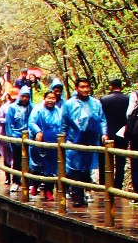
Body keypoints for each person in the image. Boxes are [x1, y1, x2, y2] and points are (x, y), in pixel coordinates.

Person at [62, 75, 105, 206]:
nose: (85, 89)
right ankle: (77, 196)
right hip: (74, 141)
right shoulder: (69, 104)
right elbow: (64, 123)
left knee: (86, 169)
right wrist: (62, 139)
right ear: (76, 88)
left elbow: (102, 120)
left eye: (87, 87)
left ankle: (84, 194)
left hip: (91, 141)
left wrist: (104, 134)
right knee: (75, 170)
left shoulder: (96, 103)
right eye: (82, 87)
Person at [27, 80, 65, 199]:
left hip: (53, 142)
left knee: (52, 168)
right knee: (38, 165)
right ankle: (35, 184)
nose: (50, 100)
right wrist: (38, 131)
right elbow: (32, 122)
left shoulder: (59, 111)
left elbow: (63, 124)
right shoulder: (37, 109)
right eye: (48, 98)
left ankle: (48, 190)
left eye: (53, 98)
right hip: (39, 142)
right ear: (44, 98)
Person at [100, 75, 128, 189]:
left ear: (111, 87)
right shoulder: (128, 99)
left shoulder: (104, 100)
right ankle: (118, 185)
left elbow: (101, 117)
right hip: (123, 134)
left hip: (108, 134)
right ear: (121, 87)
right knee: (121, 161)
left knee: (105, 160)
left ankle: (104, 183)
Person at [0, 81, 30, 186]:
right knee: (16, 159)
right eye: (23, 96)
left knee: (28, 159)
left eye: (27, 97)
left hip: (28, 136)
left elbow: (33, 121)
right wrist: (12, 136)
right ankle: (16, 180)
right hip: (15, 136)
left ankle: (28, 181)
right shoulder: (12, 108)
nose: (25, 99)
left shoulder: (32, 107)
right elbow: (9, 123)